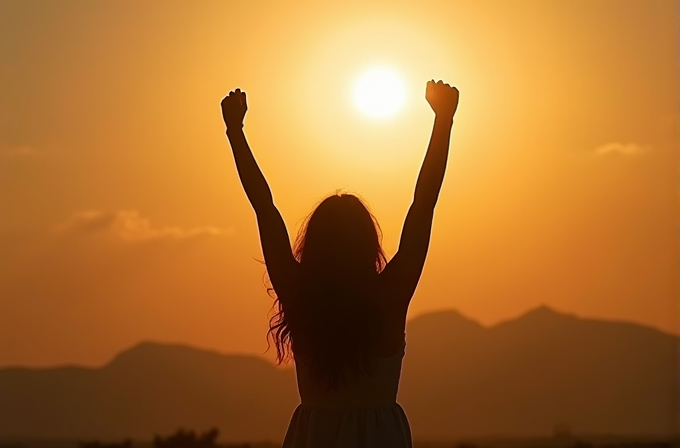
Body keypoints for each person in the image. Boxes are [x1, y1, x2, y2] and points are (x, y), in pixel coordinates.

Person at [221, 79, 459, 448]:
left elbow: (264, 208)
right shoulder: (390, 296)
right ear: (368, 243)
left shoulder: (300, 296)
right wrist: (443, 120)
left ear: (314, 244)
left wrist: (235, 133)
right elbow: (423, 204)